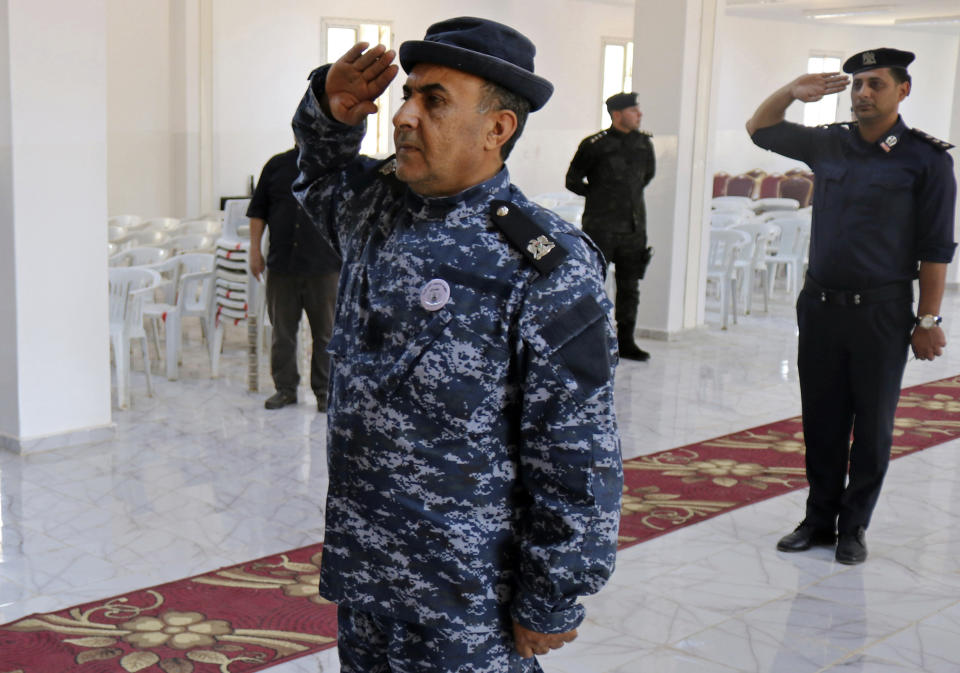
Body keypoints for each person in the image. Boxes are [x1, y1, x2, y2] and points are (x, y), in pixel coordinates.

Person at [292, 16, 623, 673]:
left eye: (434, 100)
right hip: (367, 574)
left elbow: (577, 448)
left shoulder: (542, 264)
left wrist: (552, 593)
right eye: (406, 95)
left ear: (497, 128)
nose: (405, 115)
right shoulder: (377, 213)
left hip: (466, 597)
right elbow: (318, 180)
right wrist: (329, 112)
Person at [746, 48, 956, 564]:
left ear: (902, 91)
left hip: (882, 313)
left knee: (873, 423)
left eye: (876, 84)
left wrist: (927, 319)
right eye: (858, 84)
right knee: (821, 419)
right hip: (819, 306)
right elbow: (760, 128)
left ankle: (853, 527)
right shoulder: (829, 144)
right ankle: (818, 518)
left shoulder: (926, 159)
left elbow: (935, 247)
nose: (863, 93)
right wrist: (791, 91)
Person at [247, 145, 340, 412]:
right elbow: (258, 213)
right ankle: (285, 389)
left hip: (325, 267)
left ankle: (324, 392)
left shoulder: (334, 166)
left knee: (325, 335)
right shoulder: (276, 166)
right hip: (281, 266)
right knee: (282, 333)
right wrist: (255, 251)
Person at [565, 91, 656, 361]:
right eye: (633, 110)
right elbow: (572, 180)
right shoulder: (594, 144)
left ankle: (626, 341)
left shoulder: (643, 144)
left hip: (633, 228)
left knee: (630, 287)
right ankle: (590, 340)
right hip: (600, 228)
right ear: (617, 115)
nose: (639, 114)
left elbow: (646, 177)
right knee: (593, 285)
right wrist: (599, 195)